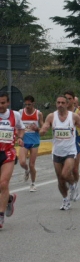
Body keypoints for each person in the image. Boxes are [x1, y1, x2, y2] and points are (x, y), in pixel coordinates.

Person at [39, 95, 80, 210]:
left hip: (70, 151)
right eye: (58, 102)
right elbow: (45, 127)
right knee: (60, 179)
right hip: (57, 152)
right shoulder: (51, 116)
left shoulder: (73, 116)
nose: (60, 105)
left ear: (67, 104)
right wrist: (42, 130)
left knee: (65, 174)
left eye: (62, 103)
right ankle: (65, 199)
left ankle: (73, 184)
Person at [0, 92, 25, 229]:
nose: (0, 106)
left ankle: (1, 215)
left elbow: (21, 129)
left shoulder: (14, 115)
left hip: (8, 153)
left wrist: (20, 138)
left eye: (3, 103)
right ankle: (9, 198)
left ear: (8, 103)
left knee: (3, 183)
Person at [64, 91, 80, 202]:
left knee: (74, 168)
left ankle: (76, 186)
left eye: (70, 98)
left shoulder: (78, 113)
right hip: (63, 142)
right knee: (64, 169)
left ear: (74, 100)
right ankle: (71, 185)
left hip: (76, 140)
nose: (68, 100)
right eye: (66, 98)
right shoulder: (61, 112)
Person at [19, 95, 44, 192]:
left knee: (32, 164)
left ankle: (33, 183)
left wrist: (37, 129)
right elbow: (17, 125)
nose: (27, 106)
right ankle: (26, 170)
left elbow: (44, 128)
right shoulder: (21, 112)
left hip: (34, 141)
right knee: (22, 162)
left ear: (33, 103)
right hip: (25, 140)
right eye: (26, 104)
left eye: (29, 104)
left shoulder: (38, 114)